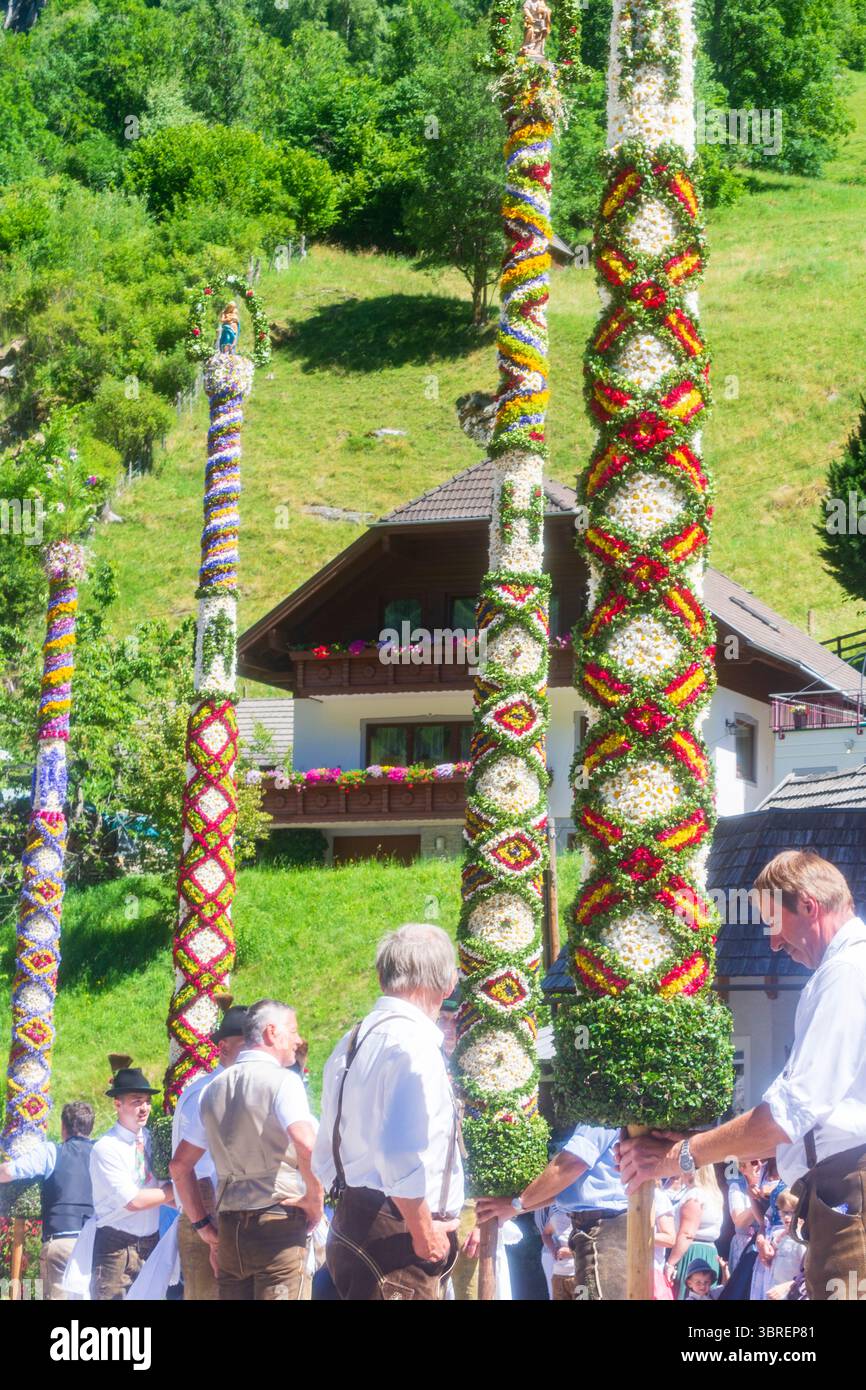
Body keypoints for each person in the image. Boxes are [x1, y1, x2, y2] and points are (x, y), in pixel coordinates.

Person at [619, 851, 866, 1301]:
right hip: (839, 1192)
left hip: (850, 1189)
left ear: (809, 906)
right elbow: (790, 1128)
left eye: (774, 923)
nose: (773, 943)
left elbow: (786, 1118)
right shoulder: (843, 970)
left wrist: (681, 1155)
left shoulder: (847, 972)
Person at [312, 923, 463, 1301]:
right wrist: (423, 1231)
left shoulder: (351, 1040)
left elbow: (325, 1148)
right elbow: (397, 1153)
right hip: (396, 1238)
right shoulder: (414, 1045)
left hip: (355, 1218)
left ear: (383, 977)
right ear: (446, 984)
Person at [189, 998, 322, 1301]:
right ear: (272, 1033)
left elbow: (180, 1166)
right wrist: (315, 1199)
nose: (298, 1040)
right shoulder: (283, 1081)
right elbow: (306, 1143)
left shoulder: (211, 1089)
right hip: (278, 1223)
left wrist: (203, 1227)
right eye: (293, 1030)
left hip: (231, 1226)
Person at [477, 1124, 628, 1300]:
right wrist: (515, 1207)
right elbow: (564, 1191)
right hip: (593, 1232)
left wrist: (516, 1205)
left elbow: (570, 1165)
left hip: (604, 1231)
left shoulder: (598, 1115)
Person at [168, 1000, 247, 1300]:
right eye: (246, 1044)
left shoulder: (227, 1086)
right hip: (207, 1216)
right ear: (224, 1047)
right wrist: (211, 1234)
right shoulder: (208, 1092)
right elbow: (197, 1176)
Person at [89, 1061, 175, 1300]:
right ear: (118, 1104)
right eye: (137, 1101)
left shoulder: (151, 1140)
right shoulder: (106, 1148)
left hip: (151, 1242)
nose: (144, 1107)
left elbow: (155, 1190)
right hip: (116, 1248)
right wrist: (174, 1189)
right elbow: (134, 1201)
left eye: (147, 1101)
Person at [0, 1100, 95, 1299]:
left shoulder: (51, 1151)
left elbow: (10, 1171)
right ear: (90, 1127)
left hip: (61, 1242)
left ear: (63, 1127)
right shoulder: (103, 1152)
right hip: (95, 1242)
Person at [664, 1166, 724, 1298]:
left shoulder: (695, 1195)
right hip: (710, 1252)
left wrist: (670, 1263)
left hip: (692, 1253)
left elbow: (687, 1233)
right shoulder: (714, 1195)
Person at [727, 1159, 765, 1273]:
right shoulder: (737, 1186)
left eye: (763, 1160)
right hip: (745, 1245)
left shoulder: (771, 1183)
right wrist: (756, 1198)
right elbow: (739, 1221)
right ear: (742, 1168)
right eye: (753, 1162)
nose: (760, 1165)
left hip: (766, 1243)